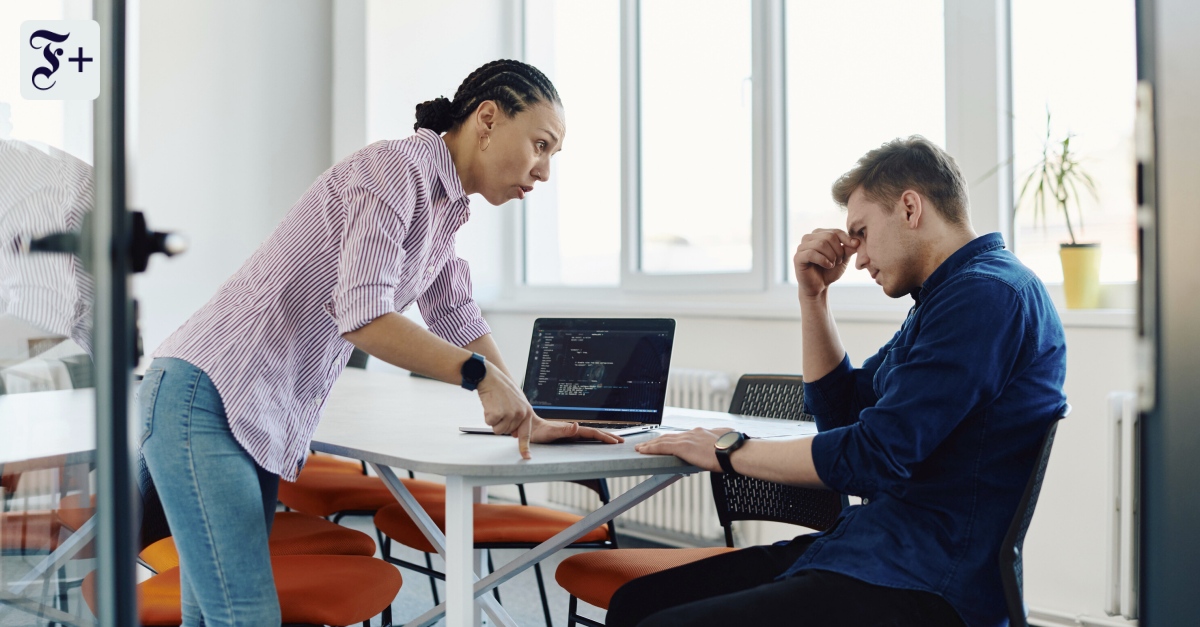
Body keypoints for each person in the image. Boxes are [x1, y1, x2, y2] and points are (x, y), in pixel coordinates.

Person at [136, 59, 622, 627]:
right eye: (541, 145)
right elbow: (364, 317)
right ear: (487, 119)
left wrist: (525, 413)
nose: (542, 173)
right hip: (206, 394)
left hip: (248, 406)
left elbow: (456, 313)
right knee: (243, 613)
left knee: (213, 611)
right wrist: (481, 378)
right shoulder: (395, 171)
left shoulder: (443, 207)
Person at [617, 136, 1067, 627]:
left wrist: (728, 450)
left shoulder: (986, 296)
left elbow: (872, 454)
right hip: (874, 549)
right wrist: (814, 299)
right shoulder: (944, 298)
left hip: (926, 580)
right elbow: (842, 414)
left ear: (910, 207)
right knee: (636, 603)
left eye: (862, 232)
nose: (858, 257)